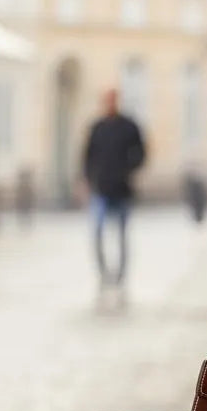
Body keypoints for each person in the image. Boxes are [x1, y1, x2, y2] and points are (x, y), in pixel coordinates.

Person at [82, 88, 146, 291]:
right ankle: (103, 272)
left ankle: (120, 274)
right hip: (101, 189)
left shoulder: (129, 126)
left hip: (122, 189)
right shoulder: (97, 127)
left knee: (121, 235)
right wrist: (87, 179)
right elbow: (87, 156)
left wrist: (128, 169)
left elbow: (141, 152)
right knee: (98, 232)